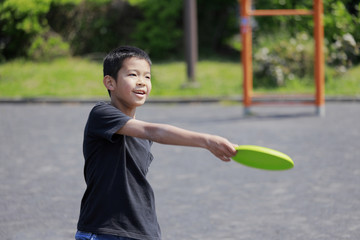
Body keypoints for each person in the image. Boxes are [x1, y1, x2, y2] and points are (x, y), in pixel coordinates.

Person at [75, 46, 237, 240]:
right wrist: (206, 141)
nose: (142, 82)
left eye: (148, 77)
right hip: (104, 230)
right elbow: (154, 131)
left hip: (141, 230)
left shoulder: (142, 137)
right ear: (110, 82)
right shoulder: (101, 114)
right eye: (133, 75)